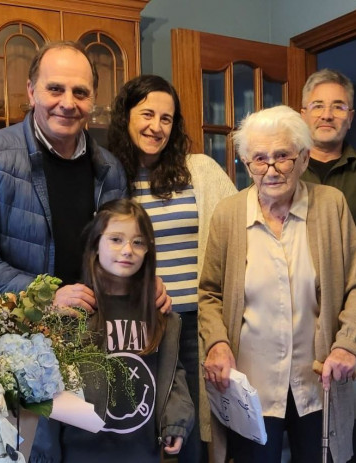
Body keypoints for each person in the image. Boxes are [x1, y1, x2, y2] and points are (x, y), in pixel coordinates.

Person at [199, 105, 356, 463]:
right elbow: (210, 292)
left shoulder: (331, 206)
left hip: (316, 381)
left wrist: (347, 345)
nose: (272, 169)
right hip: (252, 385)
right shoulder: (229, 215)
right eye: (259, 159)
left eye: (282, 157)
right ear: (246, 164)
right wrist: (216, 342)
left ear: (304, 159)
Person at [0, 41, 168, 313]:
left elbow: (120, 252)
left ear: (93, 99)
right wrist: (45, 296)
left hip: (92, 335)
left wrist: (144, 282)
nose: (68, 103)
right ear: (31, 91)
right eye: (55, 89)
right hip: (19, 338)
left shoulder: (110, 170)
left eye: (80, 92)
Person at [107, 74, 237, 462]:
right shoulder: (110, 174)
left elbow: (235, 228)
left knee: (193, 430)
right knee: (142, 422)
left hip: (196, 321)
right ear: (126, 117)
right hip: (140, 321)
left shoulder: (198, 169)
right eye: (147, 114)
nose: (156, 126)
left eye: (167, 118)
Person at [30, 199, 194, 462]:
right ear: (96, 244)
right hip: (81, 452)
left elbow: (172, 373)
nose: (128, 250)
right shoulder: (74, 313)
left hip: (140, 453)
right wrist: (45, 453)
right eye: (116, 239)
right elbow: (48, 389)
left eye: (138, 242)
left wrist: (176, 422)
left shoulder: (160, 316)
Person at [300, 69, 356, 413]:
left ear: (350, 118)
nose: (327, 115)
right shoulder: (287, 171)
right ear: (303, 114)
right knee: (303, 410)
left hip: (354, 315)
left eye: (339, 107)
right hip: (299, 313)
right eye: (319, 106)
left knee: (351, 412)